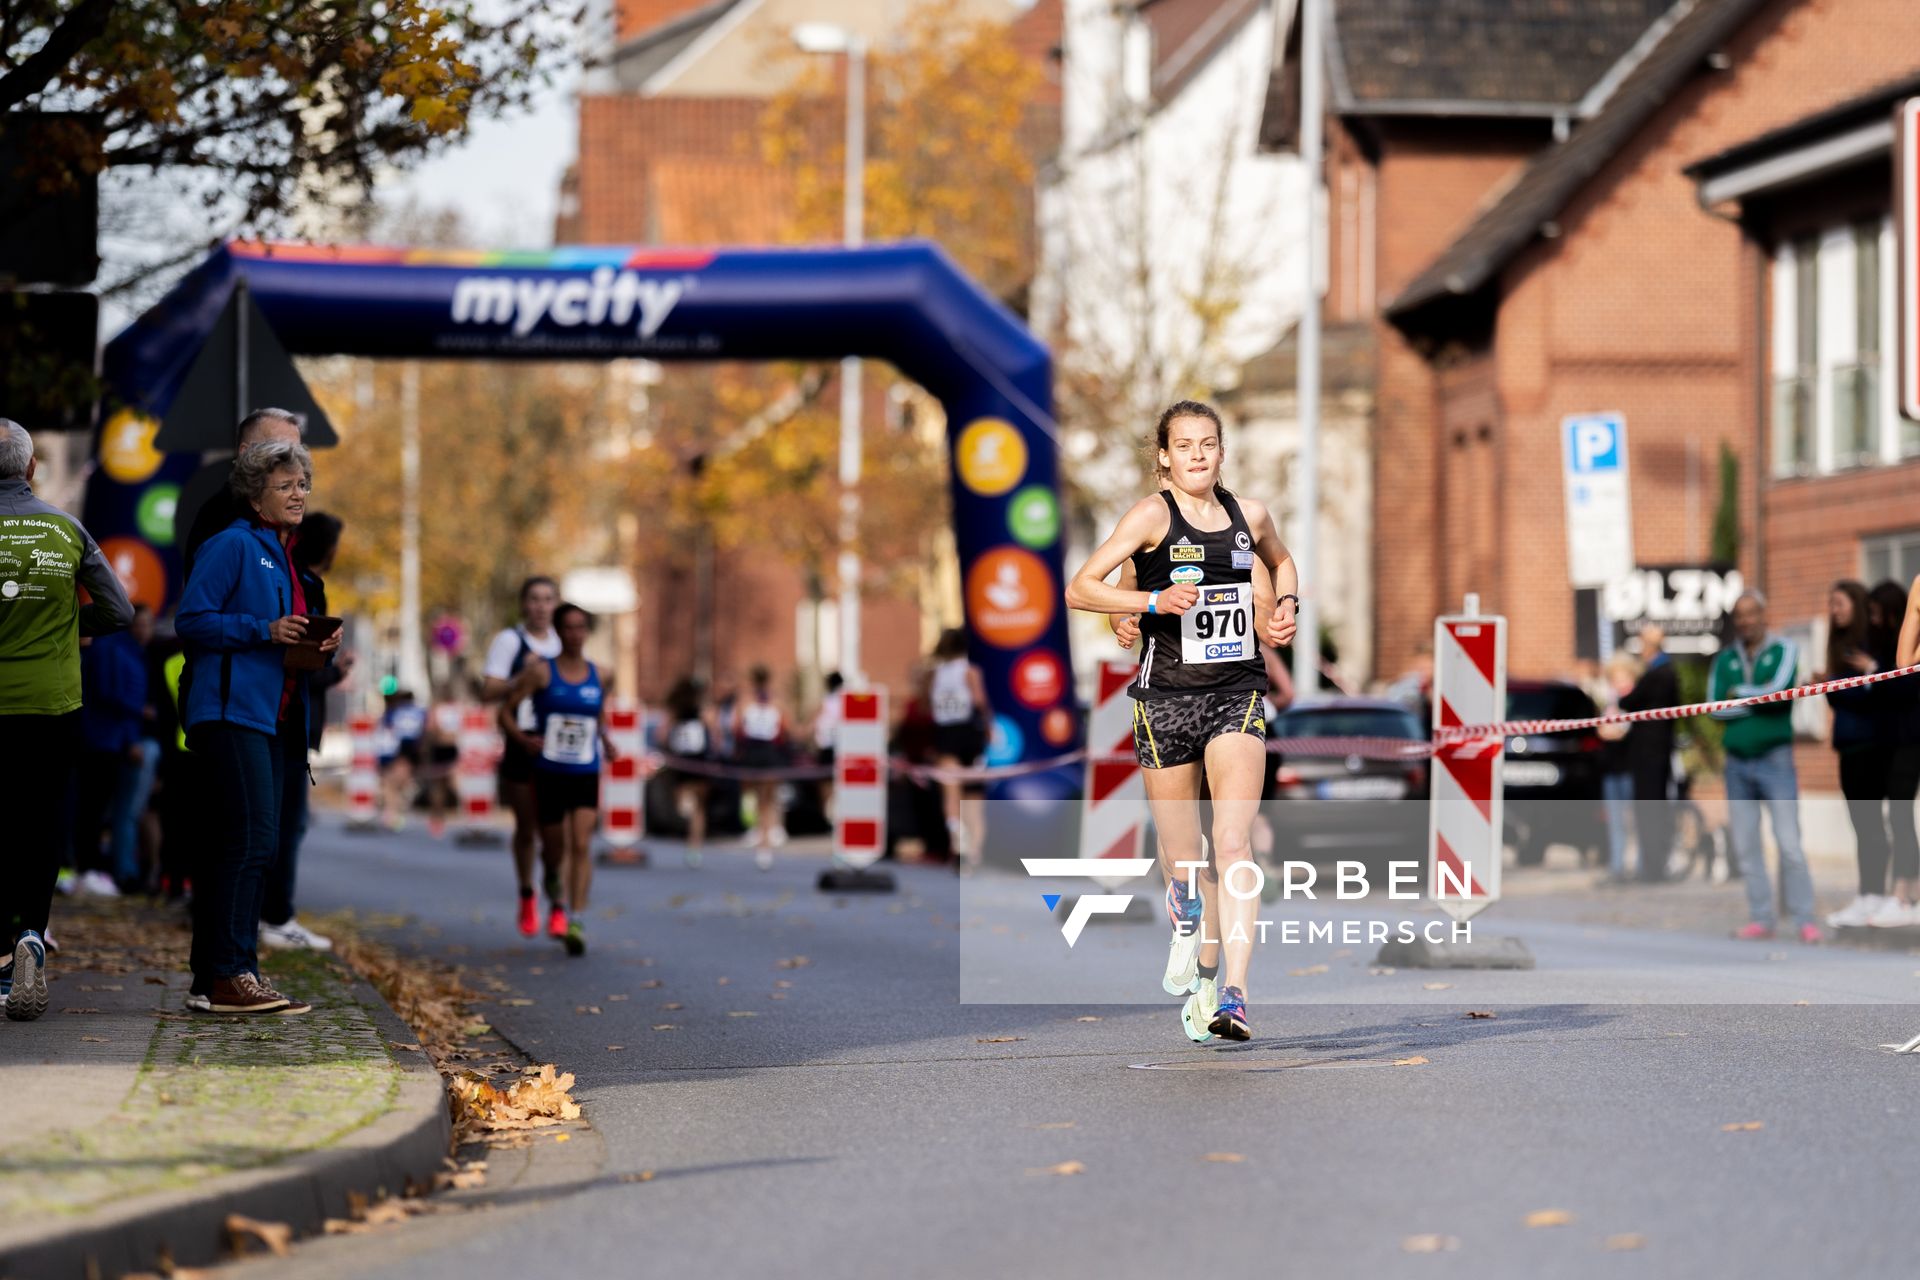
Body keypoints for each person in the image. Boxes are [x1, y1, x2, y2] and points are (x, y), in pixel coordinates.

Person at [1065, 399, 1299, 1042]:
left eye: (1209, 443)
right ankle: (1191, 929)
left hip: (1237, 693)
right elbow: (1081, 587)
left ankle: (1235, 992)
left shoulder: (1248, 516)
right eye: (1185, 444)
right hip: (1164, 700)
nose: (1198, 454)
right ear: (1163, 455)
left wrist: (1285, 605)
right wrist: (1144, 601)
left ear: (1222, 452)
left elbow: (1281, 561)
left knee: (1231, 843)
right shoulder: (1149, 515)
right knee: (1185, 858)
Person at [175, 439, 333, 1014]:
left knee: (245, 845)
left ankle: (223, 975)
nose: (300, 494)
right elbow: (191, 620)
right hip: (228, 711)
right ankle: (229, 975)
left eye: (303, 484)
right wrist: (262, 630)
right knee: (249, 842)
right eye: (287, 485)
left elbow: (282, 633)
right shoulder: (233, 544)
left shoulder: (280, 552)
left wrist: (318, 643)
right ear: (255, 492)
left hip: (271, 715)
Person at [0, 420, 134, 1021]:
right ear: (31, 470)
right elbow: (120, 610)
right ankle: (32, 934)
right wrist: (68, 628)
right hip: (53, 704)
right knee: (43, 820)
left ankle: (2, 953)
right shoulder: (66, 529)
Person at [501, 603, 613, 956]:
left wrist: (607, 740)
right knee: (554, 850)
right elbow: (505, 711)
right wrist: (523, 739)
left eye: (582, 628)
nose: (576, 635)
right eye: (569, 628)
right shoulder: (541, 673)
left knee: (581, 844)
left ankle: (576, 917)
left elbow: (599, 715)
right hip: (548, 771)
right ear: (559, 632)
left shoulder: (603, 674)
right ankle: (550, 879)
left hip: (585, 771)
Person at [1709, 591, 1819, 944]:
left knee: (1789, 843)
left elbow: (1780, 692)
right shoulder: (1724, 659)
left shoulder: (1785, 650)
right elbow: (1712, 708)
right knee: (1746, 845)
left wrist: (1739, 693)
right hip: (1737, 763)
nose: (1745, 621)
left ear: (1763, 614)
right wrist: (1756, 700)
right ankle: (1761, 918)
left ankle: (1805, 919)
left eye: (1751, 613)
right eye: (1739, 615)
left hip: (1776, 759)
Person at [261, 511, 346, 952]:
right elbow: (303, 666)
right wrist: (333, 665)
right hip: (288, 718)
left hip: (283, 716)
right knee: (285, 825)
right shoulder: (304, 585)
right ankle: (276, 916)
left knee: (273, 823)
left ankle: (266, 914)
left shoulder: (289, 575)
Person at [481, 576, 562, 936]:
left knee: (557, 830)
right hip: (521, 740)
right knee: (527, 826)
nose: (541, 606)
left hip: (559, 744)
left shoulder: (564, 642)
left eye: (548, 599)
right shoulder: (510, 641)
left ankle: (558, 899)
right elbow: (489, 690)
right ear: (524, 604)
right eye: (535, 599)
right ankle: (528, 893)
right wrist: (524, 678)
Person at [1822, 581, 1897, 928]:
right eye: (1831, 604)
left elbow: (1877, 694)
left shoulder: (1872, 645)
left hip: (1873, 746)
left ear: (1855, 605)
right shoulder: (1841, 648)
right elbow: (1841, 698)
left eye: (1839, 603)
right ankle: (1867, 895)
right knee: (1861, 824)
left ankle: (1878, 895)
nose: (1834, 610)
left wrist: (1865, 678)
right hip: (1848, 747)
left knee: (1872, 825)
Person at [79, 603, 158, 893]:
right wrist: (134, 730)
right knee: (95, 806)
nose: (145, 630)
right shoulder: (114, 649)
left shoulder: (132, 652)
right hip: (103, 741)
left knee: (103, 806)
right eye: (140, 623)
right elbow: (110, 696)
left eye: (148, 624)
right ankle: (87, 870)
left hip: (111, 740)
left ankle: (96, 868)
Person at [181, 408, 305, 579]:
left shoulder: (286, 520)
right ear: (245, 452)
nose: (291, 461)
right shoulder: (220, 519)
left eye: (297, 452)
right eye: (280, 451)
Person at [1619, 623, 1680, 882]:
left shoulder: (1657, 674)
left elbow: (1628, 701)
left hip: (1648, 756)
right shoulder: (1669, 674)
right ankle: (1655, 865)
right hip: (1659, 753)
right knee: (1656, 810)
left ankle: (1653, 867)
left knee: (1649, 812)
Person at [928, 629, 991, 872]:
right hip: (969, 733)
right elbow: (979, 700)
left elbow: (930, 703)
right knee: (974, 797)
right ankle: (975, 851)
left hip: (946, 734)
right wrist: (989, 724)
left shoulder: (937, 674)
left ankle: (957, 843)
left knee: (950, 794)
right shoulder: (969, 670)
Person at [733, 665, 790, 871]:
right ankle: (767, 840)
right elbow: (785, 730)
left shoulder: (745, 702)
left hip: (753, 755)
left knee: (757, 798)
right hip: (769, 755)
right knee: (768, 800)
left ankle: (761, 837)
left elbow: (737, 728)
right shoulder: (777, 702)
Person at [1595, 652, 1640, 886]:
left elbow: (1621, 731)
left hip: (1630, 768)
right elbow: (1603, 731)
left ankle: (1640, 866)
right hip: (1612, 768)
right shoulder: (1610, 702)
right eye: (1615, 677)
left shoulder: (1634, 701)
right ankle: (1617, 867)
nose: (1619, 681)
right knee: (1615, 822)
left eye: (1623, 676)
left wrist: (1612, 732)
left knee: (1635, 821)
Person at [663, 676, 714, 868]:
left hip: (682, 762)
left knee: (688, 805)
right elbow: (714, 732)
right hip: (698, 761)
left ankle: (693, 845)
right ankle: (695, 846)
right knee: (698, 809)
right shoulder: (701, 711)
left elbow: (663, 734)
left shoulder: (675, 711)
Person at [377, 689, 428, 831]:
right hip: (413, 750)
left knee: (391, 784)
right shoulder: (420, 712)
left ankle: (393, 815)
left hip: (398, 750)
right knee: (398, 783)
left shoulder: (395, 712)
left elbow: (387, 731)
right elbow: (425, 730)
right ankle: (395, 811)